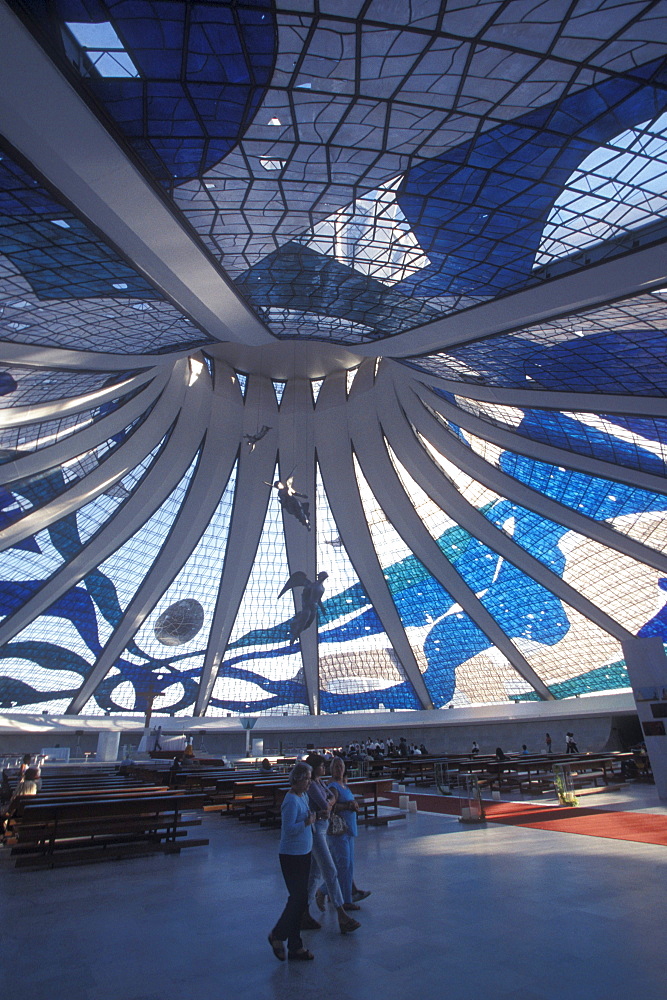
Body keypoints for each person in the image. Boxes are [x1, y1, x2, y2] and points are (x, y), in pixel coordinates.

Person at [302, 754, 360, 934]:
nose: (325, 768)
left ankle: (303, 912)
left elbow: (329, 801)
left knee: (314, 875)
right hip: (316, 831)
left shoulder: (320, 783)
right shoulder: (312, 785)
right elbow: (326, 804)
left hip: (322, 828)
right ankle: (342, 914)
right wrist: (330, 803)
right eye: (322, 765)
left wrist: (330, 803)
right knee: (330, 870)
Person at [268, 762, 316, 962]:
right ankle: (278, 935)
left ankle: (295, 946)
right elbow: (288, 829)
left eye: (310, 778)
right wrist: (307, 822)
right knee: (297, 899)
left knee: (299, 900)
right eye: (306, 779)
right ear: (296, 779)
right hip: (291, 855)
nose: (309, 783)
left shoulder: (303, 796)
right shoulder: (290, 801)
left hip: (303, 852)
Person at [326, 757, 365, 911]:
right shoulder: (334, 787)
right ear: (331, 769)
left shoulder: (344, 785)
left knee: (348, 866)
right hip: (339, 832)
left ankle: (345, 897)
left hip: (348, 831)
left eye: (341, 766)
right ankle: (329, 893)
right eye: (336, 766)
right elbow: (331, 805)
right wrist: (349, 805)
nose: (339, 769)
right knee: (343, 865)